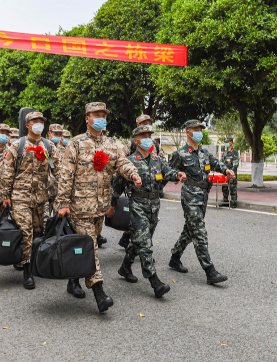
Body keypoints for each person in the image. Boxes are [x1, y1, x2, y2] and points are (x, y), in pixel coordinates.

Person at [56, 102, 141, 313]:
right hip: (79, 207)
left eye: (103, 114)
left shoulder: (112, 144)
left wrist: (133, 174)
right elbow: (66, 175)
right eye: (97, 114)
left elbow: (122, 162)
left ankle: (73, 281)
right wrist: (63, 203)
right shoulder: (75, 144)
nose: (101, 117)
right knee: (91, 247)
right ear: (87, 118)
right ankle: (99, 292)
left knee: (85, 247)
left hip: (100, 208)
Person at [110, 125, 186, 298]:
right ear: (136, 140)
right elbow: (117, 186)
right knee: (145, 244)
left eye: (149, 135)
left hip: (154, 206)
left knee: (141, 241)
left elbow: (168, 172)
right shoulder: (129, 161)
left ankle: (125, 267)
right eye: (143, 135)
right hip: (137, 205)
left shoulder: (157, 160)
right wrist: (112, 205)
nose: (148, 138)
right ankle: (154, 281)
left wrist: (178, 175)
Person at [167, 120, 235, 285]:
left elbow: (215, 163)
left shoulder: (204, 152)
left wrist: (226, 169)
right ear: (188, 132)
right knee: (199, 232)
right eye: (196, 129)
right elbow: (168, 170)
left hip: (203, 195)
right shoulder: (180, 153)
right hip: (190, 195)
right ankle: (210, 271)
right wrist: (177, 175)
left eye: (200, 129)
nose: (199, 132)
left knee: (190, 231)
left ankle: (174, 258)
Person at [1, 111, 61, 290]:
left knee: (38, 232)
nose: (39, 124)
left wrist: (64, 192)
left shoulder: (49, 147)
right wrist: (6, 195)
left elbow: (59, 170)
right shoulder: (17, 146)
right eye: (35, 121)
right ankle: (27, 270)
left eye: (41, 121)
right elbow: (8, 172)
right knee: (26, 232)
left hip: (41, 198)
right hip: (20, 197)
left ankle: (34, 262)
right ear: (27, 125)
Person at [118, 114, 167, 249]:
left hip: (153, 186)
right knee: (138, 219)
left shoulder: (154, 144)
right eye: (144, 123)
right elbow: (121, 161)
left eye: (149, 123)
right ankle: (139, 244)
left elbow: (163, 163)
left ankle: (134, 245)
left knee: (150, 220)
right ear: (138, 125)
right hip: (136, 185)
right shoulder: (132, 143)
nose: (147, 125)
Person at [220, 136, 239, 208]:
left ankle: (233, 202)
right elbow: (221, 161)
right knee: (224, 187)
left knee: (232, 187)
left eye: (227, 142)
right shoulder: (225, 152)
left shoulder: (234, 152)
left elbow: (236, 162)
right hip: (225, 172)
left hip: (232, 172)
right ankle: (225, 201)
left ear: (231, 142)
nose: (226, 143)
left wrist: (232, 171)